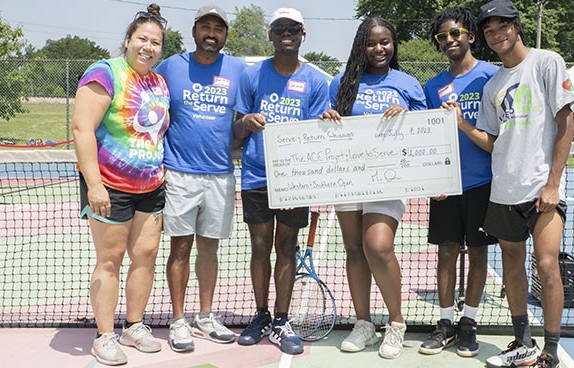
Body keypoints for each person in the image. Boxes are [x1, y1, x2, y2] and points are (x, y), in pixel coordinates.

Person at [445, 1, 574, 367]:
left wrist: (552, 184)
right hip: (503, 191)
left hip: (541, 191)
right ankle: (522, 342)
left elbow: (565, 124)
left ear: (516, 27)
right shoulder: (494, 85)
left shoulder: (547, 63)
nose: (497, 34)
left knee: (548, 266)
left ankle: (550, 350)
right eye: (489, 31)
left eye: (503, 26)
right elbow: (493, 140)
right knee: (512, 267)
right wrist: (463, 125)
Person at [319, 17, 426, 359]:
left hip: (388, 178)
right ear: (360, 46)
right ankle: (363, 323)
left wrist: (405, 114)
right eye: (371, 43)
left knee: (376, 246)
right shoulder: (340, 81)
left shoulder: (407, 83)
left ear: (393, 45)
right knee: (353, 250)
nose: (379, 49)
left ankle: (395, 324)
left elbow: (427, 129)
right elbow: (324, 125)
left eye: (385, 42)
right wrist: (328, 118)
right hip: (348, 178)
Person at [72, 3, 170, 366]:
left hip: (151, 188)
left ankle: (134, 325)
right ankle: (104, 335)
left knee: (145, 257)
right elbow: (82, 129)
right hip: (110, 187)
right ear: (128, 40)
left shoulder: (158, 82)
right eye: (142, 38)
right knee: (109, 261)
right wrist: (94, 184)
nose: (148, 46)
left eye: (156, 42)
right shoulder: (105, 72)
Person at [232, 8, 329, 355]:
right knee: (260, 247)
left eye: (292, 28)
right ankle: (260, 315)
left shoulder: (317, 81)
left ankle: (282, 320)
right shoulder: (252, 76)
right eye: (279, 28)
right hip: (256, 175)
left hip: (295, 180)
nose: (285, 33)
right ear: (270, 35)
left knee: (286, 247)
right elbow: (236, 131)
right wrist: (247, 123)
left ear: (302, 34)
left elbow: (320, 135)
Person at [155, 4, 246, 353]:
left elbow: (246, 117)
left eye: (218, 29)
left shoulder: (238, 70)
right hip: (178, 174)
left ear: (225, 35)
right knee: (180, 247)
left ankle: (205, 316)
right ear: (194, 31)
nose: (211, 33)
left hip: (221, 176)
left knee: (210, 248)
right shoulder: (170, 67)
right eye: (205, 27)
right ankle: (179, 320)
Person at [419, 7, 498, 358]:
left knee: (479, 255)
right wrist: (432, 178)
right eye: (442, 37)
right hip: (446, 186)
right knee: (446, 253)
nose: (449, 40)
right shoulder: (433, 86)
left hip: (484, 183)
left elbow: (498, 136)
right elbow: (425, 139)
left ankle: (469, 323)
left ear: (470, 36)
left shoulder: (492, 76)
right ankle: (446, 323)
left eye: (456, 34)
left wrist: (463, 124)